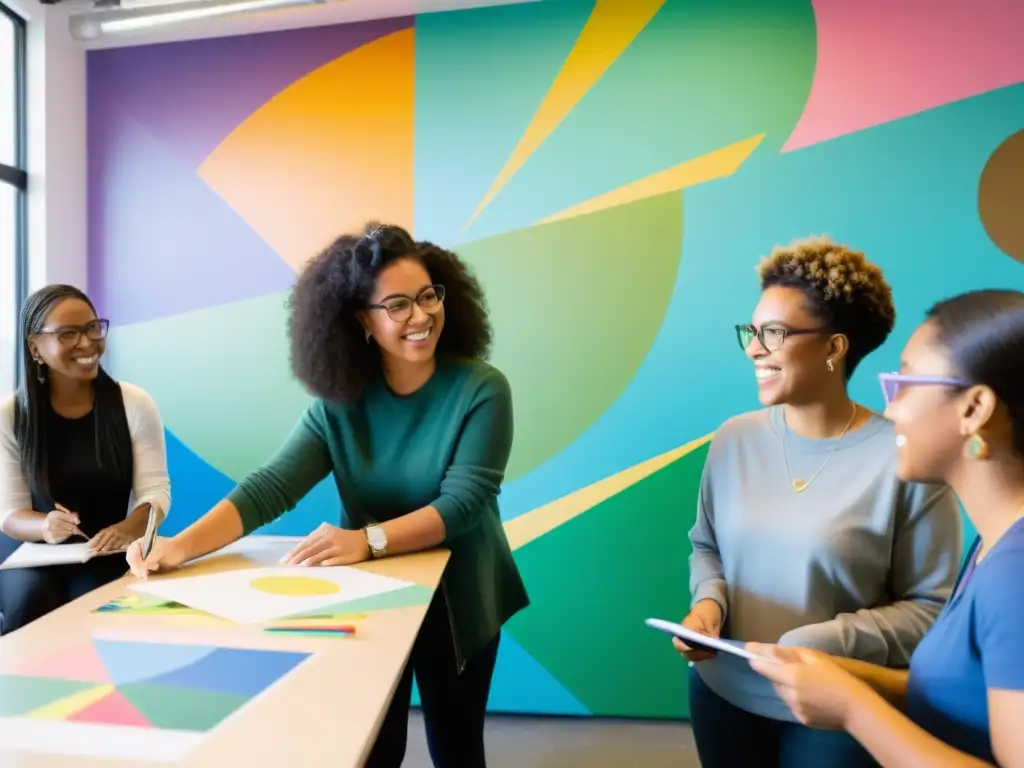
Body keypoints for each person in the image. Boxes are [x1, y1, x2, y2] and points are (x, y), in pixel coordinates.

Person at [126, 223, 530, 768]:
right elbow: (273, 486)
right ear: (362, 320)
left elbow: (463, 503)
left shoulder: (482, 388)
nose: (422, 315)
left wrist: (369, 540)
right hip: (372, 596)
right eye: (398, 304)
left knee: (455, 751)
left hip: (459, 595)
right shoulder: (339, 402)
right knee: (372, 749)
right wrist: (181, 546)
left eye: (430, 295)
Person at [675, 236, 963, 768]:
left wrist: (826, 638)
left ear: (834, 348)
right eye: (752, 332)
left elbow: (931, 609)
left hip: (832, 710)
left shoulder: (909, 457)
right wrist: (707, 604)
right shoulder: (732, 439)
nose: (754, 349)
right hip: (720, 693)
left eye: (774, 334)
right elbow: (706, 546)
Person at [747, 288, 1024, 768]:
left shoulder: (1015, 574)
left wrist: (853, 709)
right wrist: (850, 677)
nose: (890, 409)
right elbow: (973, 692)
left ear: (974, 408)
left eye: (905, 384)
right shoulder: (992, 545)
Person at [0, 284, 170, 635]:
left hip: (103, 554)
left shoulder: (134, 404)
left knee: (94, 606)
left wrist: (125, 530)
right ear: (35, 347)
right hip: (31, 555)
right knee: (28, 603)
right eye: (68, 334)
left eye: (93, 327)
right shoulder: (11, 414)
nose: (87, 342)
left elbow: (155, 494)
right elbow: (10, 514)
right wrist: (45, 526)